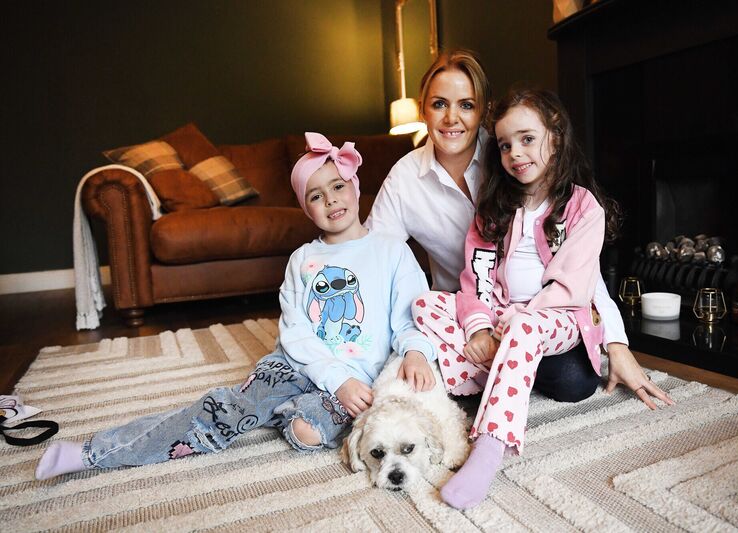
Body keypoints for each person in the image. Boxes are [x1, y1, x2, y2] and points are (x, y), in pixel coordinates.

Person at [35, 132, 436, 480]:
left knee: (305, 433)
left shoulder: (391, 251)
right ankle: (94, 453)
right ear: (305, 207)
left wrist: (416, 351)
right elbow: (294, 333)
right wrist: (335, 378)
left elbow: (412, 315)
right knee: (226, 413)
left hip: (356, 385)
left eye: (337, 187)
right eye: (316, 196)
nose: (331, 201)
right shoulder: (303, 260)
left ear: (355, 184)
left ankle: (289, 414)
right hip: (296, 368)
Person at [413, 87, 675, 509]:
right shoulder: (493, 207)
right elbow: (474, 278)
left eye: (527, 138)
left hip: (558, 317)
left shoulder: (582, 207)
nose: (516, 152)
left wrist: (520, 317)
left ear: (555, 137)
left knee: (526, 326)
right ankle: (498, 369)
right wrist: (482, 326)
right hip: (501, 317)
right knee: (425, 304)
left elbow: (572, 287)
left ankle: (491, 443)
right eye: (504, 145)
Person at [366, 49, 671, 408]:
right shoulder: (404, 178)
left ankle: (493, 368)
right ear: (423, 109)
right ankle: (496, 365)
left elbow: (576, 263)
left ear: (483, 110)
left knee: (573, 382)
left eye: (466, 104)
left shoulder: (514, 157)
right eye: (439, 104)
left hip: (536, 312)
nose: (452, 118)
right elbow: (372, 261)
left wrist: (616, 343)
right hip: (467, 310)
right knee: (418, 328)